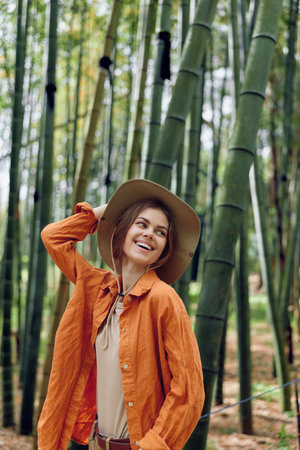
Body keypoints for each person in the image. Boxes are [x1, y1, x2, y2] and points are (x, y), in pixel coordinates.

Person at [37, 179, 205, 450]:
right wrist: (109, 211)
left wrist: (152, 446)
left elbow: (189, 391)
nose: (150, 234)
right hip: (97, 443)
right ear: (123, 229)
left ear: (165, 248)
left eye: (160, 232)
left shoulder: (164, 300)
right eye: (142, 224)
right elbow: (53, 237)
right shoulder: (96, 289)